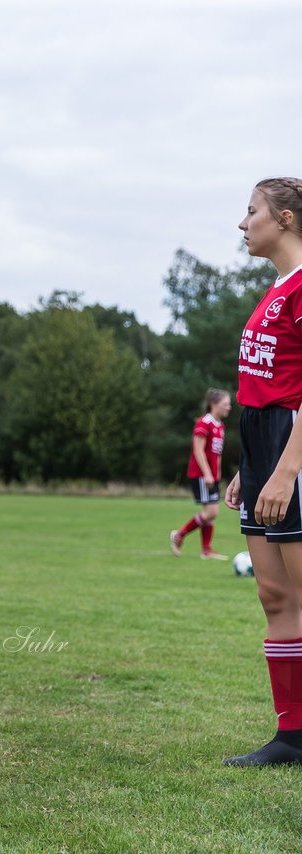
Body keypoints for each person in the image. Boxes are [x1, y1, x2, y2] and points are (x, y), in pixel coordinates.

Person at [223, 176, 302, 766]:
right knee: (275, 596)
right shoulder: (275, 289)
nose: (242, 223)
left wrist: (285, 471)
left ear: (286, 219)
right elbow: (260, 386)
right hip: (259, 448)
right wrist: (248, 471)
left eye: (251, 211)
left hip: (290, 448)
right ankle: (291, 737)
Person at [169, 389, 232, 560]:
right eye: (225, 403)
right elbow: (198, 450)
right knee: (212, 512)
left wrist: (217, 475)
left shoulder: (220, 426)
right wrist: (208, 474)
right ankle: (179, 535)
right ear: (214, 404)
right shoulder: (204, 423)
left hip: (212, 475)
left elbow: (216, 455)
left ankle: (206, 550)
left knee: (210, 511)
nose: (229, 407)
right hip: (202, 474)